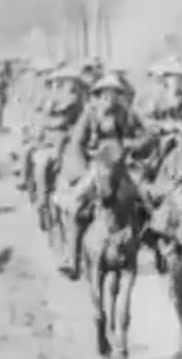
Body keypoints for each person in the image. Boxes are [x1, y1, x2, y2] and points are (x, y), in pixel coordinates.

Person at [56, 71, 155, 279]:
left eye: (114, 93)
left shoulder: (127, 113)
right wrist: (83, 168)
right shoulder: (89, 114)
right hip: (96, 165)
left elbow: (147, 137)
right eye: (105, 94)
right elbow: (76, 143)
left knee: (145, 198)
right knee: (77, 205)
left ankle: (149, 243)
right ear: (99, 95)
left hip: (125, 164)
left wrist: (131, 145)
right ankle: (72, 258)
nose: (109, 98)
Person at [21, 65, 87, 193]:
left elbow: (61, 121)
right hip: (55, 133)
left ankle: (44, 191)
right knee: (29, 150)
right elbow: (43, 112)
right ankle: (29, 182)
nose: (64, 84)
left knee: (51, 154)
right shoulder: (55, 95)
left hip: (68, 133)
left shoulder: (74, 97)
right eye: (61, 82)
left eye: (69, 82)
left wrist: (46, 120)